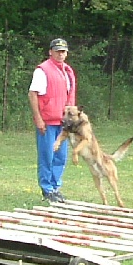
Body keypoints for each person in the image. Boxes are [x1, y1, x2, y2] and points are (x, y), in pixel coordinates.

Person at [28, 38, 76, 202]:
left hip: (63, 123)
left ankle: (56, 188)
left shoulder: (67, 71)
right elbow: (33, 94)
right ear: (50, 52)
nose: (60, 54)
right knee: (46, 155)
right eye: (57, 51)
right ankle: (47, 189)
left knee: (60, 157)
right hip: (47, 122)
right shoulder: (42, 70)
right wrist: (38, 119)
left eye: (63, 51)